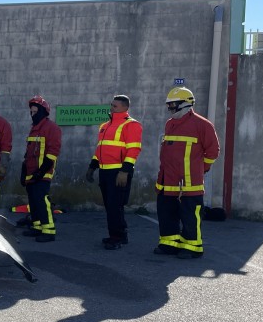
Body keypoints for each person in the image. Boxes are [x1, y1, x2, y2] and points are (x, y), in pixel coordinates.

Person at [154, 86, 220, 259]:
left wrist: (201, 169)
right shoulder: (170, 124)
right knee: (166, 213)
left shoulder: (202, 124)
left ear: (185, 104)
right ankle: (169, 244)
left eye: (172, 104)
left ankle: (192, 247)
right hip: (167, 181)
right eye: (168, 105)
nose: (169, 108)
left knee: (190, 216)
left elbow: (213, 151)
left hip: (189, 183)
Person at [85, 95, 143, 250]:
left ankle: (116, 238)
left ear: (125, 108)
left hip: (118, 172)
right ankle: (119, 235)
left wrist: (125, 171)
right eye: (111, 105)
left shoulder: (131, 125)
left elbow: (133, 150)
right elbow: (100, 149)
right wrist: (92, 167)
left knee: (114, 205)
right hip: (105, 172)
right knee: (111, 205)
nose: (111, 108)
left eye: (115, 106)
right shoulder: (105, 125)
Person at [20, 95, 61, 242]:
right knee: (33, 200)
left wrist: (41, 171)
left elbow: (52, 153)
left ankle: (49, 231)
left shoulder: (51, 128)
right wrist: (24, 171)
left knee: (41, 199)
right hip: (32, 172)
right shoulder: (34, 129)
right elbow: (29, 153)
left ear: (43, 111)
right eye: (31, 112)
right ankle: (37, 227)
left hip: (43, 172)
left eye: (35, 111)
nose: (33, 114)